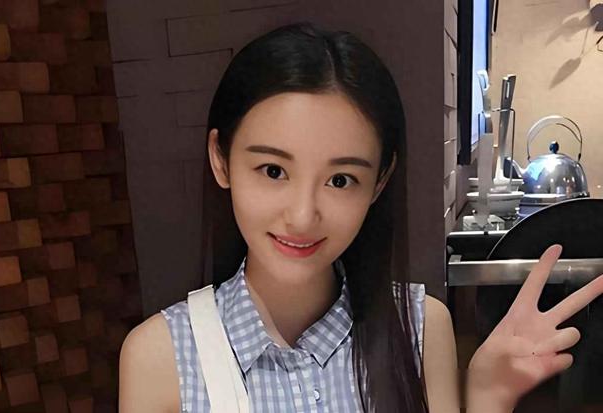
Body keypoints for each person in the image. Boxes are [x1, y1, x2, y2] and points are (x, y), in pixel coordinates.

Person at [118, 21, 603, 413]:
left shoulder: (418, 326)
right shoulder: (161, 357)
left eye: (340, 179)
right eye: (273, 170)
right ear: (221, 160)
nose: (302, 216)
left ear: (380, 180)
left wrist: (487, 397)